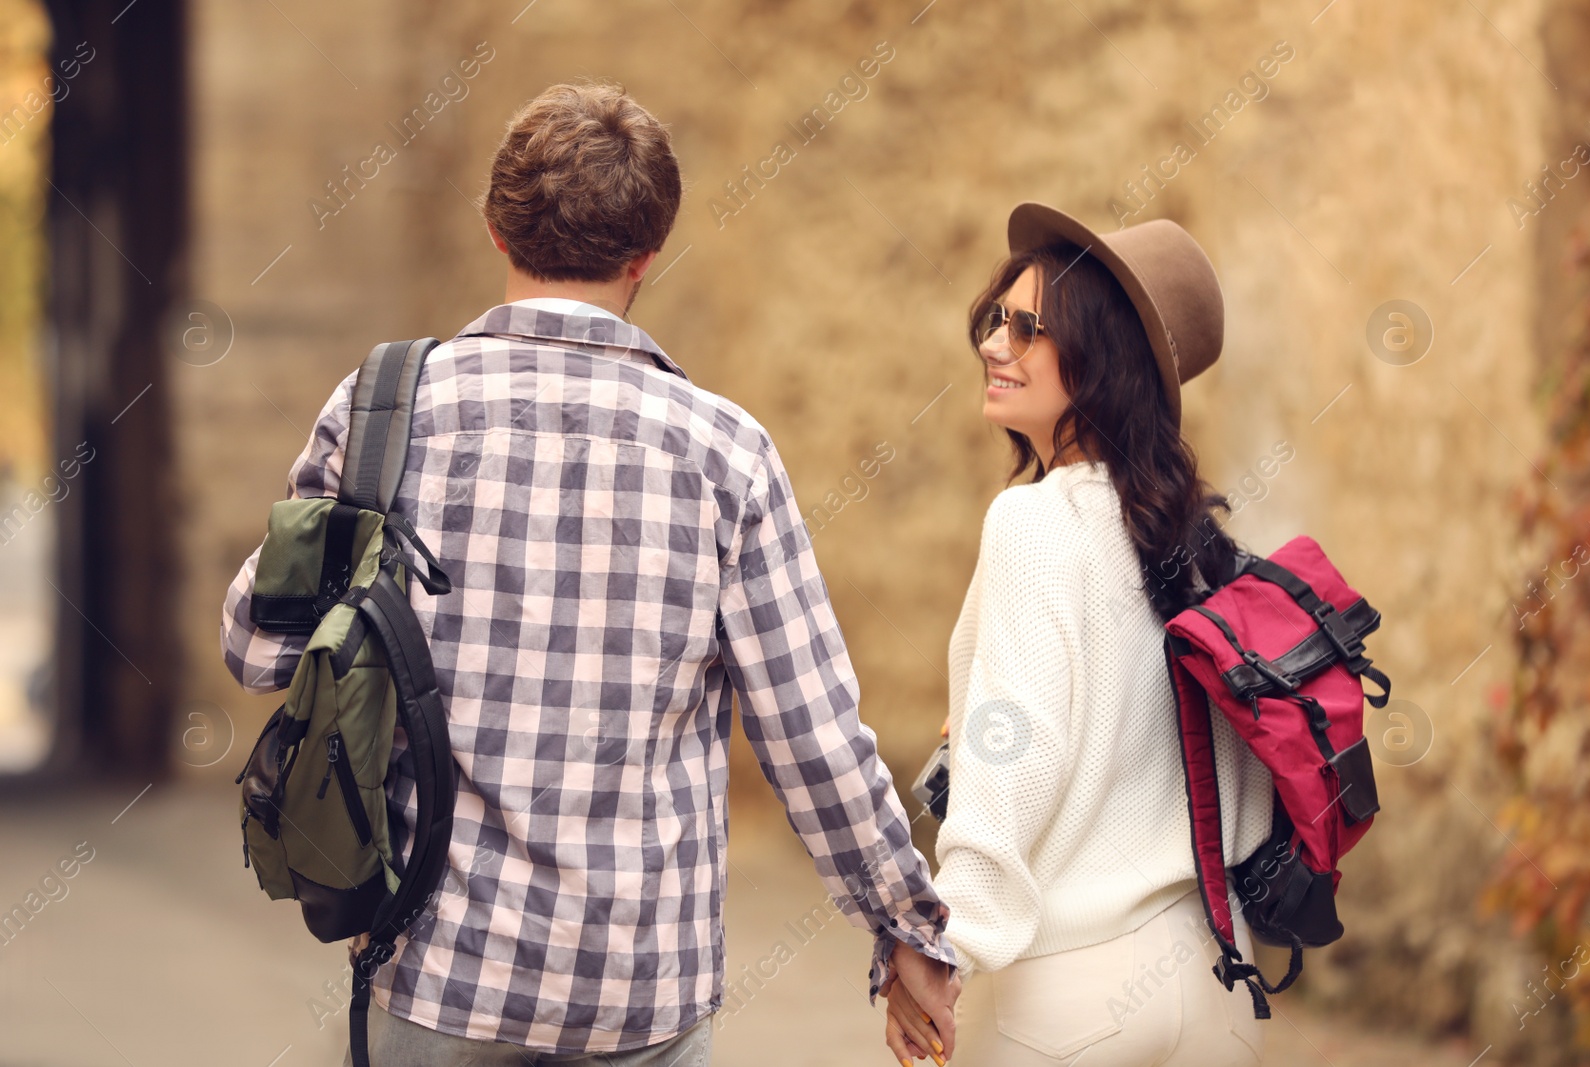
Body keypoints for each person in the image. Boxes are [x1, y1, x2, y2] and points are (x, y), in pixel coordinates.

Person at [220, 82, 961, 1066]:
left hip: (438, 966)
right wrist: (903, 925)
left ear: (494, 227)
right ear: (647, 253)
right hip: (636, 992)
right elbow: (812, 739)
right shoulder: (726, 453)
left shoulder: (388, 409)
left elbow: (257, 644)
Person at [882, 203, 1275, 1066]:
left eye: (1026, 329)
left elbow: (1011, 744)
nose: (992, 344)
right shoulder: (1202, 544)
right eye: (998, 320)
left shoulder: (1033, 522)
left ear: (1100, 363)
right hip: (1219, 980)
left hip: (1071, 996)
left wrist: (951, 940)